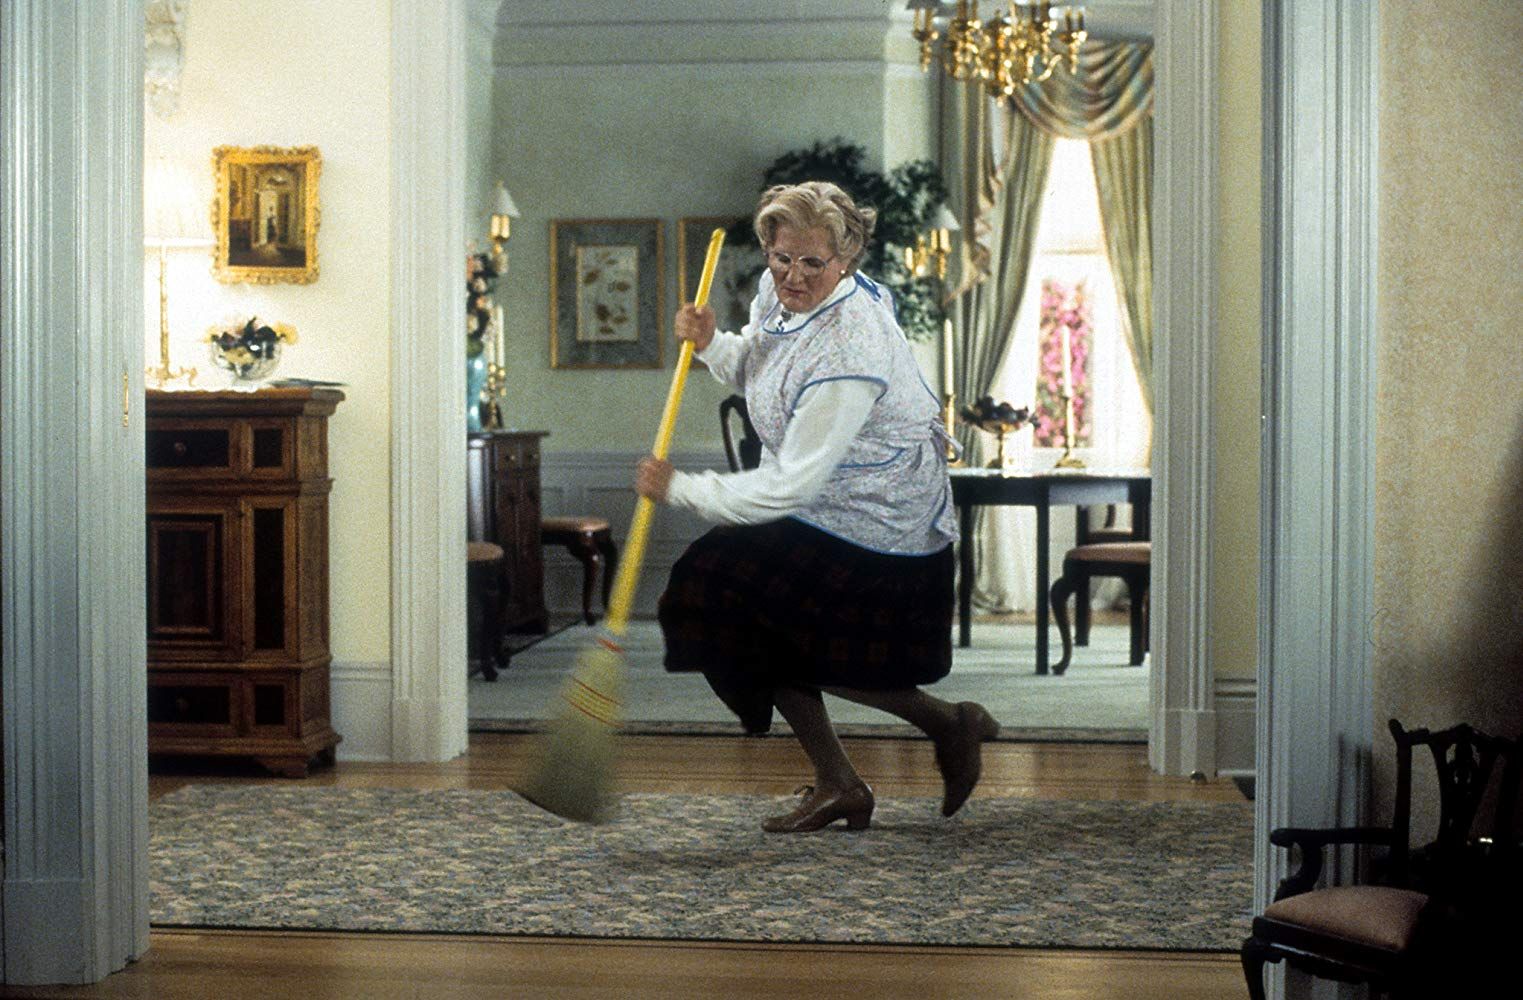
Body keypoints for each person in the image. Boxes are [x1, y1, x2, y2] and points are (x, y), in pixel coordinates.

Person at [634, 181, 1000, 834]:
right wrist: (715, 343)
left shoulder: (850, 348)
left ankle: (945, 725)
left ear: (846, 259)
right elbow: (765, 367)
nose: (792, 276)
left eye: (812, 263)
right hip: (824, 503)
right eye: (781, 258)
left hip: (882, 522)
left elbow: (788, 485)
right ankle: (846, 780)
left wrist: (679, 489)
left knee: (741, 609)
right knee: (714, 592)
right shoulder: (779, 292)